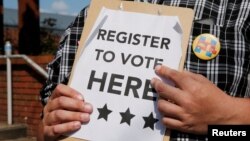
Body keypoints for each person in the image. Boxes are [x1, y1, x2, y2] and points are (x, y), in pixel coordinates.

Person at [39, 0, 250, 140]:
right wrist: (50, 129)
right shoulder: (95, 14)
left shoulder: (242, 9)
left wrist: (226, 117)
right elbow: (45, 127)